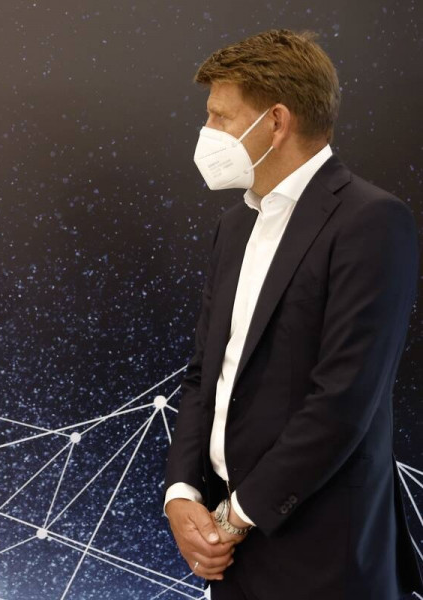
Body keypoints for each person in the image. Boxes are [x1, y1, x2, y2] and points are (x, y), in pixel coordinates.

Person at [163, 30, 422, 599]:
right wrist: (182, 493)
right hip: (229, 555)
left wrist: (235, 518)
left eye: (220, 116)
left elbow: (343, 400)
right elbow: (205, 373)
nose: (207, 131)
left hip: (324, 553)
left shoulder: (370, 221)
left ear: (275, 122)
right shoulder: (235, 225)